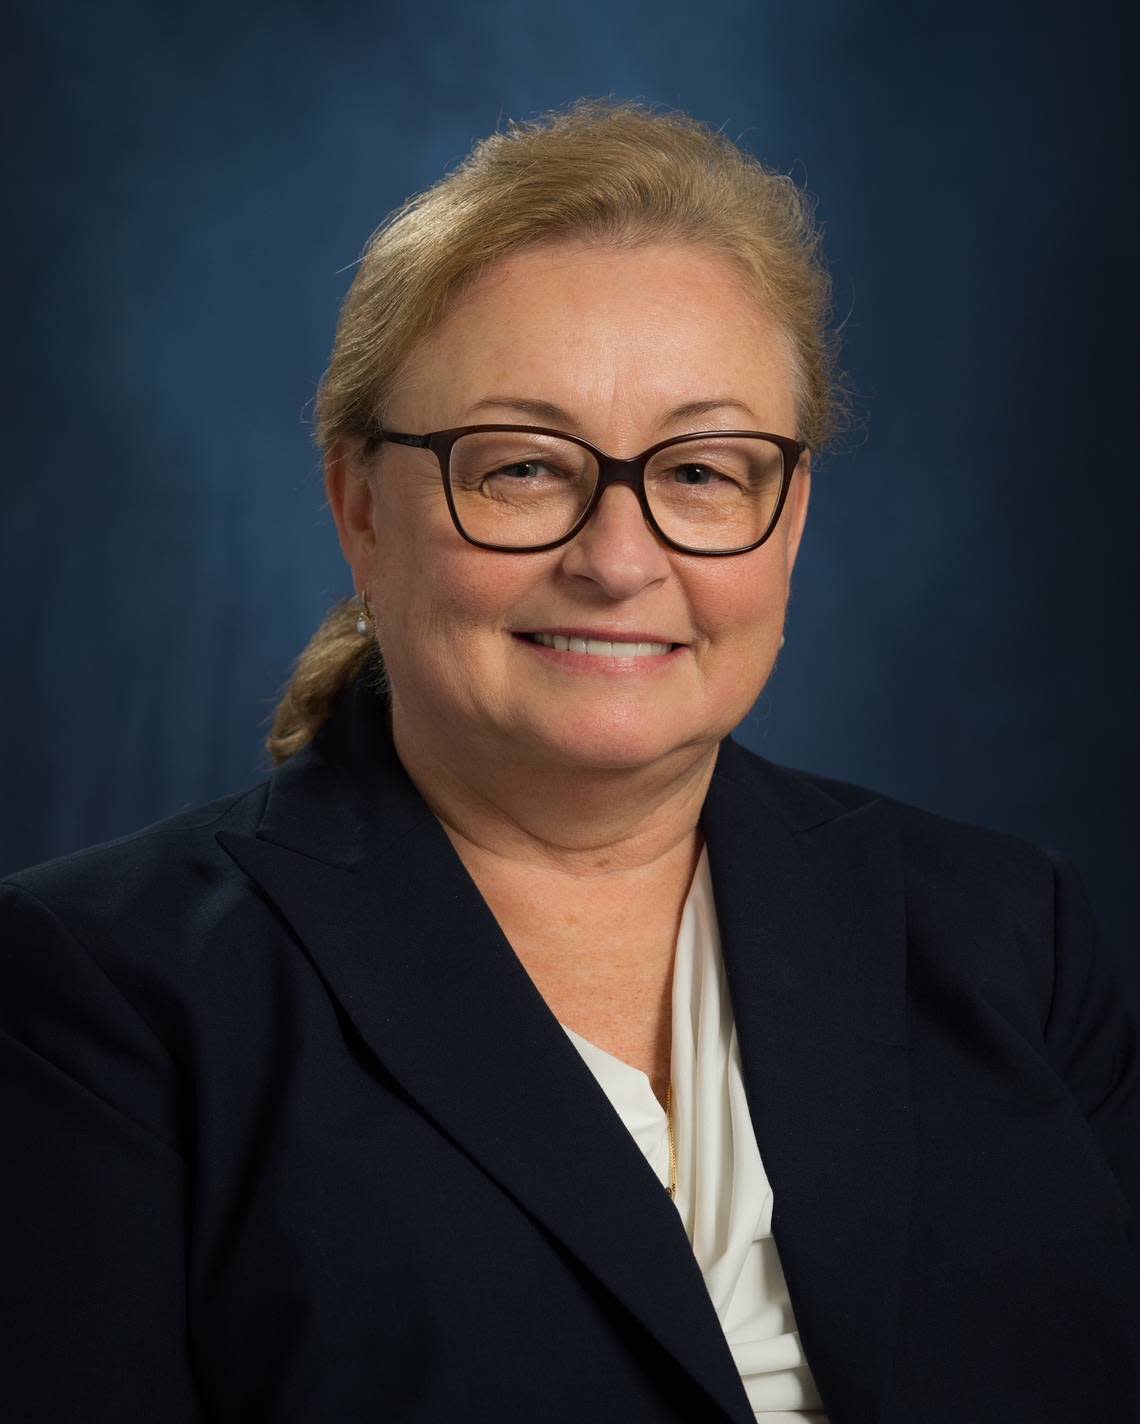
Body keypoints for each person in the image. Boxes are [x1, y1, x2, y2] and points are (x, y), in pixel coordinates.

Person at [2, 97, 1137, 1424]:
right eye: (525, 468)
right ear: (361, 509)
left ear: (792, 519)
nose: (617, 558)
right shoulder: (91, 1001)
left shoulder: (1011, 936)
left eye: (704, 471)